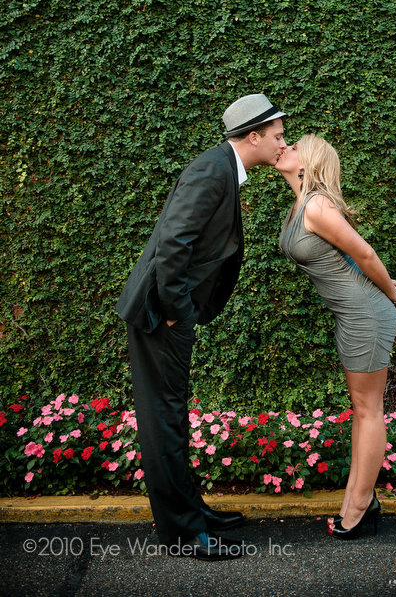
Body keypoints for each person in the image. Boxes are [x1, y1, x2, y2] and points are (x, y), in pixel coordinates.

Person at [116, 94, 287, 560]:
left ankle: (191, 513)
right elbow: (174, 241)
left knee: (172, 415)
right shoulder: (214, 170)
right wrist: (176, 310)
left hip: (166, 311)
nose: (282, 144)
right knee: (164, 420)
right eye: (277, 136)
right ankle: (183, 533)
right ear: (253, 136)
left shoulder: (221, 168)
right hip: (160, 315)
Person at [276, 134, 396, 540]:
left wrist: (392, 293)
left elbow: (366, 254)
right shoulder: (303, 205)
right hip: (352, 315)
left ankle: (359, 508)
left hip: (367, 314)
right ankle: (358, 500)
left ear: (309, 163)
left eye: (294, 145)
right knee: (362, 407)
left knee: (368, 409)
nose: (285, 147)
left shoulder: (316, 206)